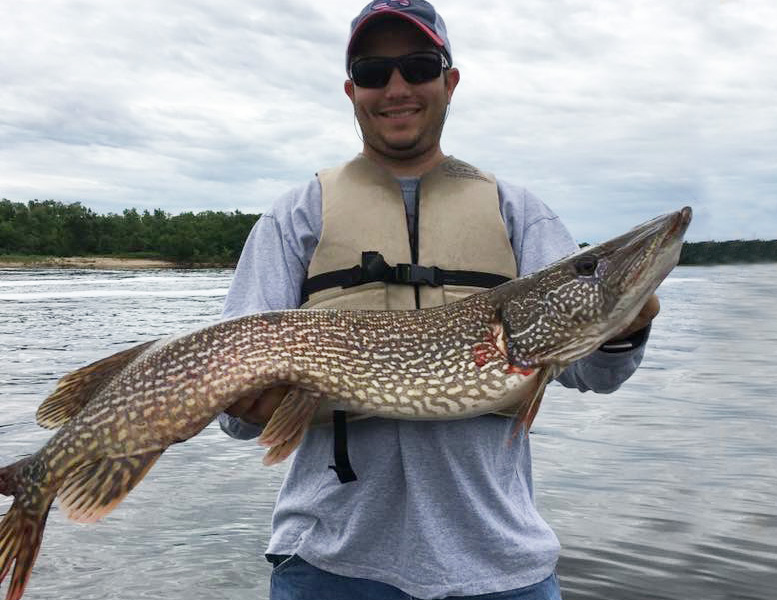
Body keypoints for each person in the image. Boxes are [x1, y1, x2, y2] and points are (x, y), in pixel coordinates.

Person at [218, 1, 659, 599]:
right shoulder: (296, 215)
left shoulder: (517, 211)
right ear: (352, 91)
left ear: (449, 81)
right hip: (328, 564)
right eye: (375, 72)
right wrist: (244, 407)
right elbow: (232, 418)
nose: (396, 87)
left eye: (419, 66)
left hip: (500, 567)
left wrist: (625, 328)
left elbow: (593, 374)